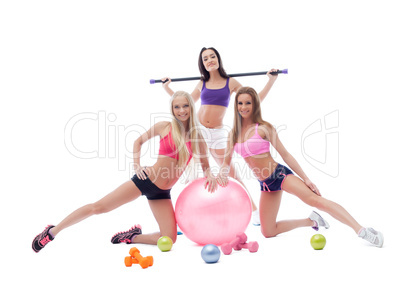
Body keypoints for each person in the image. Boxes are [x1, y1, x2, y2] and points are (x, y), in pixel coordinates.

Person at [32, 91, 217, 253]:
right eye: (177, 107)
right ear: (172, 109)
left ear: (191, 108)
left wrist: (211, 176)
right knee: (99, 208)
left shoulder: (197, 137)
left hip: (162, 193)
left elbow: (206, 166)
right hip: (145, 181)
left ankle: (132, 237)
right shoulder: (165, 127)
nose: (181, 110)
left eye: (185, 106)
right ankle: (51, 232)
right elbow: (138, 141)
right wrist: (137, 166)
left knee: (169, 238)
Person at [216, 86, 384, 247]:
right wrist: (222, 174)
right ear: (236, 106)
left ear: (255, 105)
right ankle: (312, 221)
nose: (243, 107)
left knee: (316, 201)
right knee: (268, 231)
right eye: (240, 103)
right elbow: (226, 162)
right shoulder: (234, 133)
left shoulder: (264, 128)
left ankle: (361, 230)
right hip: (265, 184)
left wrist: (306, 179)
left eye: (248, 103)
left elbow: (286, 155)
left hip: (279, 175)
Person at [162, 47, 279, 225]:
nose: (209, 60)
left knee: (231, 172)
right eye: (205, 58)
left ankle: (254, 211)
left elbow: (254, 100)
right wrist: (167, 88)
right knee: (186, 172)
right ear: (202, 63)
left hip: (217, 132)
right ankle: (180, 218)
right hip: (197, 131)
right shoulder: (202, 83)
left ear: (218, 59)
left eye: (212, 56)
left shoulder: (230, 82)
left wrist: (271, 81)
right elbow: (187, 101)